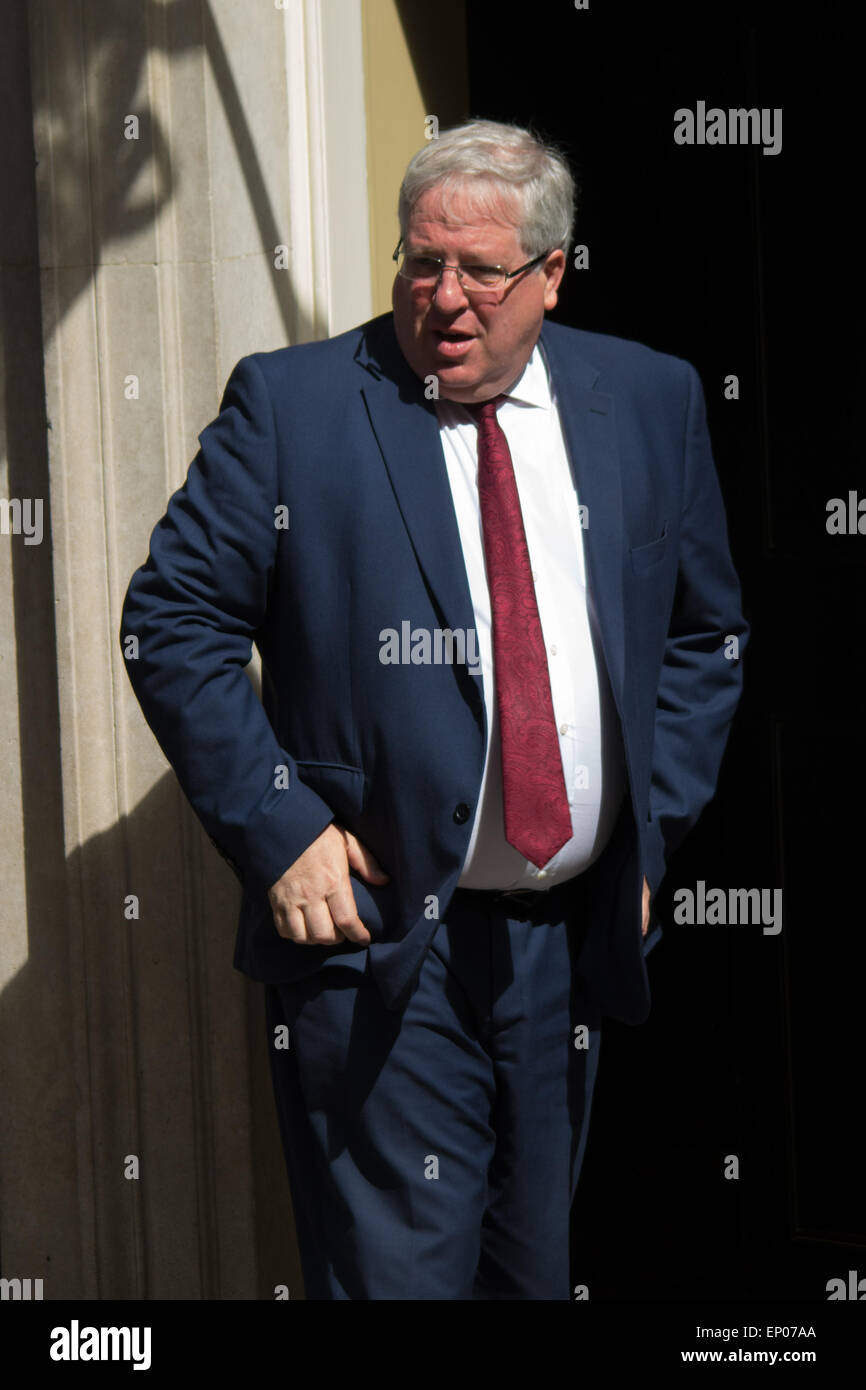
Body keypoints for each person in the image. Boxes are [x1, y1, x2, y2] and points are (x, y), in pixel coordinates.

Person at [120, 119, 748, 1300]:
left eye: (480, 271)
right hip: (386, 949)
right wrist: (282, 827)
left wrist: (649, 825)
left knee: (532, 1270)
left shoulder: (649, 399)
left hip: (568, 944)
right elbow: (173, 624)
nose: (444, 298)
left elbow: (700, 637)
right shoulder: (294, 408)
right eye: (420, 263)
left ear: (552, 275)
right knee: (400, 1279)